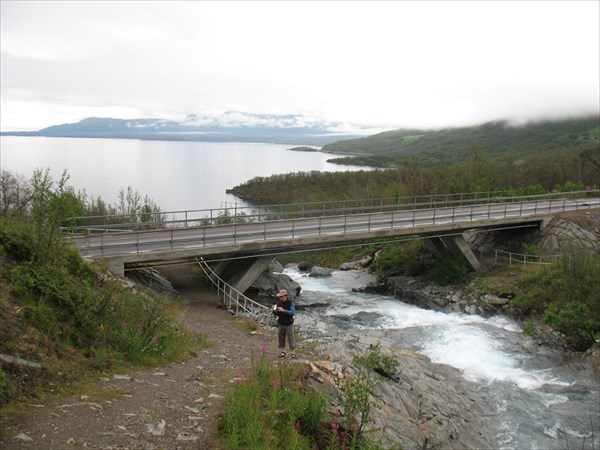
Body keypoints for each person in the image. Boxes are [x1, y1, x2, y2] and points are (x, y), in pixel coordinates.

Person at [273, 289, 296, 358]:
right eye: (280, 297)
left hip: (289, 323)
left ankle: (293, 352)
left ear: (286, 296)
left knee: (290, 337)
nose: (281, 298)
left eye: (282, 297)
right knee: (281, 337)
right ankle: (283, 351)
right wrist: (274, 310)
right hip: (281, 323)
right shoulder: (278, 303)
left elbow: (292, 312)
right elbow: (276, 314)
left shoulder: (291, 303)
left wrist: (283, 310)